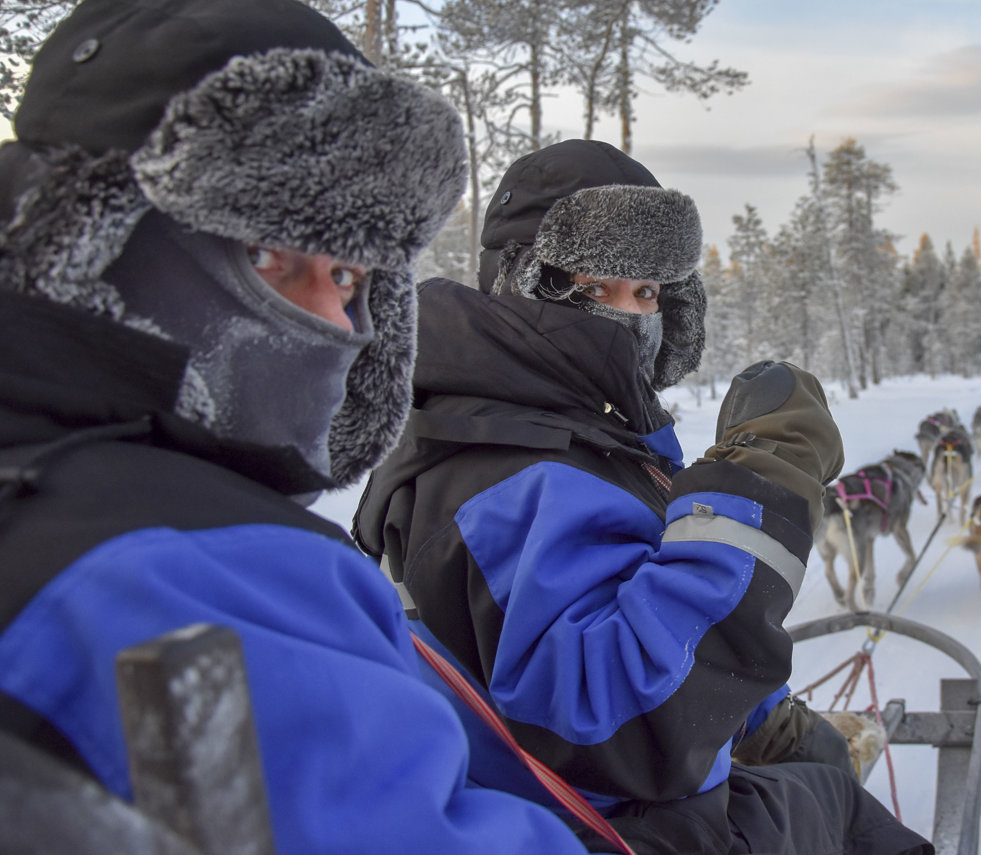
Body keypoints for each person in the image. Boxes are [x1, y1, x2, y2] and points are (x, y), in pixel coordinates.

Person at [0, 1, 589, 853]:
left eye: (349, 274)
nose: (341, 325)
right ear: (92, 240)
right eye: (271, 256)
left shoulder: (63, 502)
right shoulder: (189, 571)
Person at [353, 138, 932, 855]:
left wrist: (769, 721)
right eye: (599, 288)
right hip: (597, 829)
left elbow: (638, 614)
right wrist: (764, 476)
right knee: (841, 809)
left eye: (649, 290)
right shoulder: (504, 476)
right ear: (525, 282)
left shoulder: (544, 435)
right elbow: (634, 725)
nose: (631, 316)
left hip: (591, 808)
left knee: (814, 773)